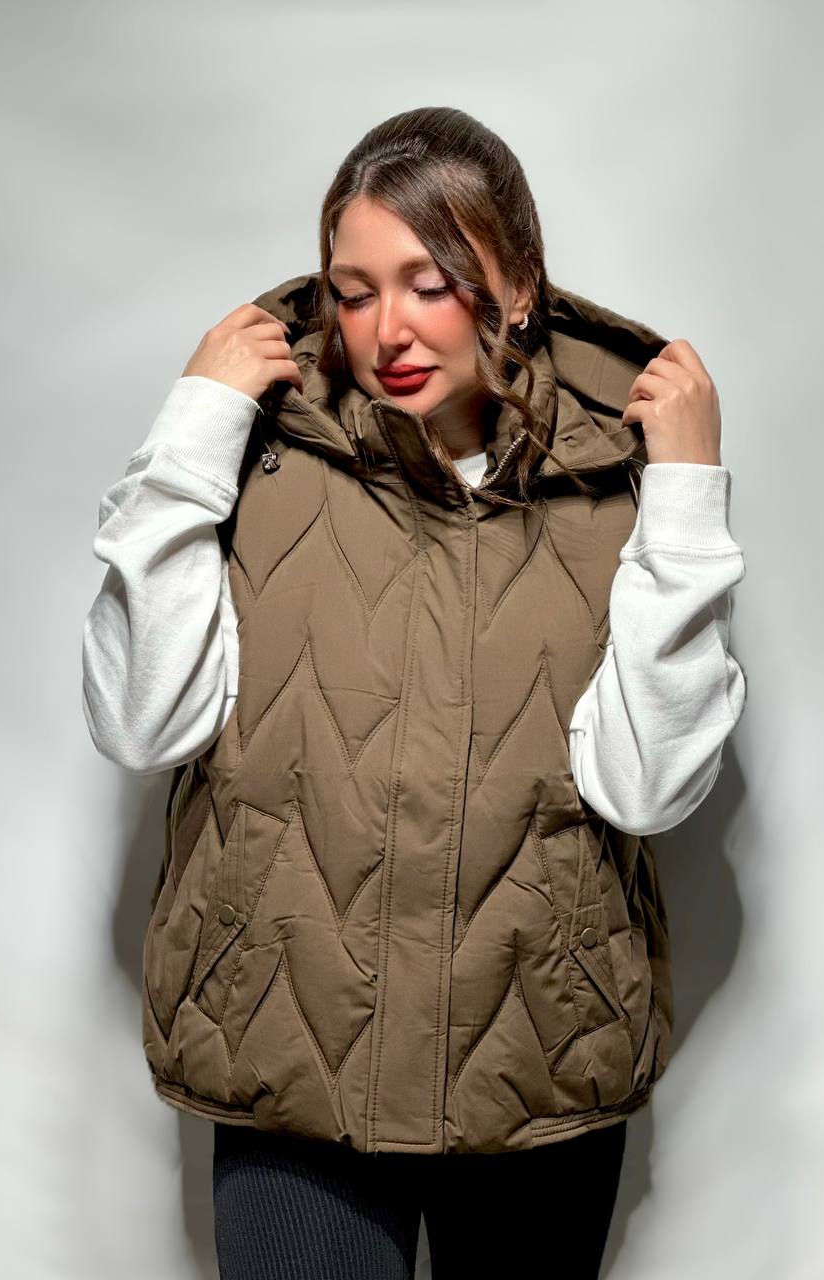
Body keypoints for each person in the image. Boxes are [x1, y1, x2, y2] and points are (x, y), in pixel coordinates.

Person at [82, 106, 746, 1279]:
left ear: (520, 285)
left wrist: (688, 498)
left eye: (430, 283)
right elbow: (143, 722)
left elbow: (646, 789)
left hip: (537, 1062)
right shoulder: (260, 448)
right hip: (288, 1051)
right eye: (352, 291)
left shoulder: (621, 473)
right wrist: (191, 432)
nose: (386, 328)